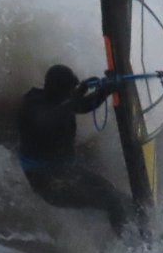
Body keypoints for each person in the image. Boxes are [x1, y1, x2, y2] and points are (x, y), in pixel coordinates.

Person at [17, 64, 134, 239]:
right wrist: (74, 97)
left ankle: (135, 233)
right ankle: (133, 251)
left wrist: (107, 89)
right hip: (48, 183)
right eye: (68, 91)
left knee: (117, 194)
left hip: (67, 171)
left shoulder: (60, 100)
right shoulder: (33, 104)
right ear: (59, 91)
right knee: (111, 201)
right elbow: (48, 119)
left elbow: (83, 105)